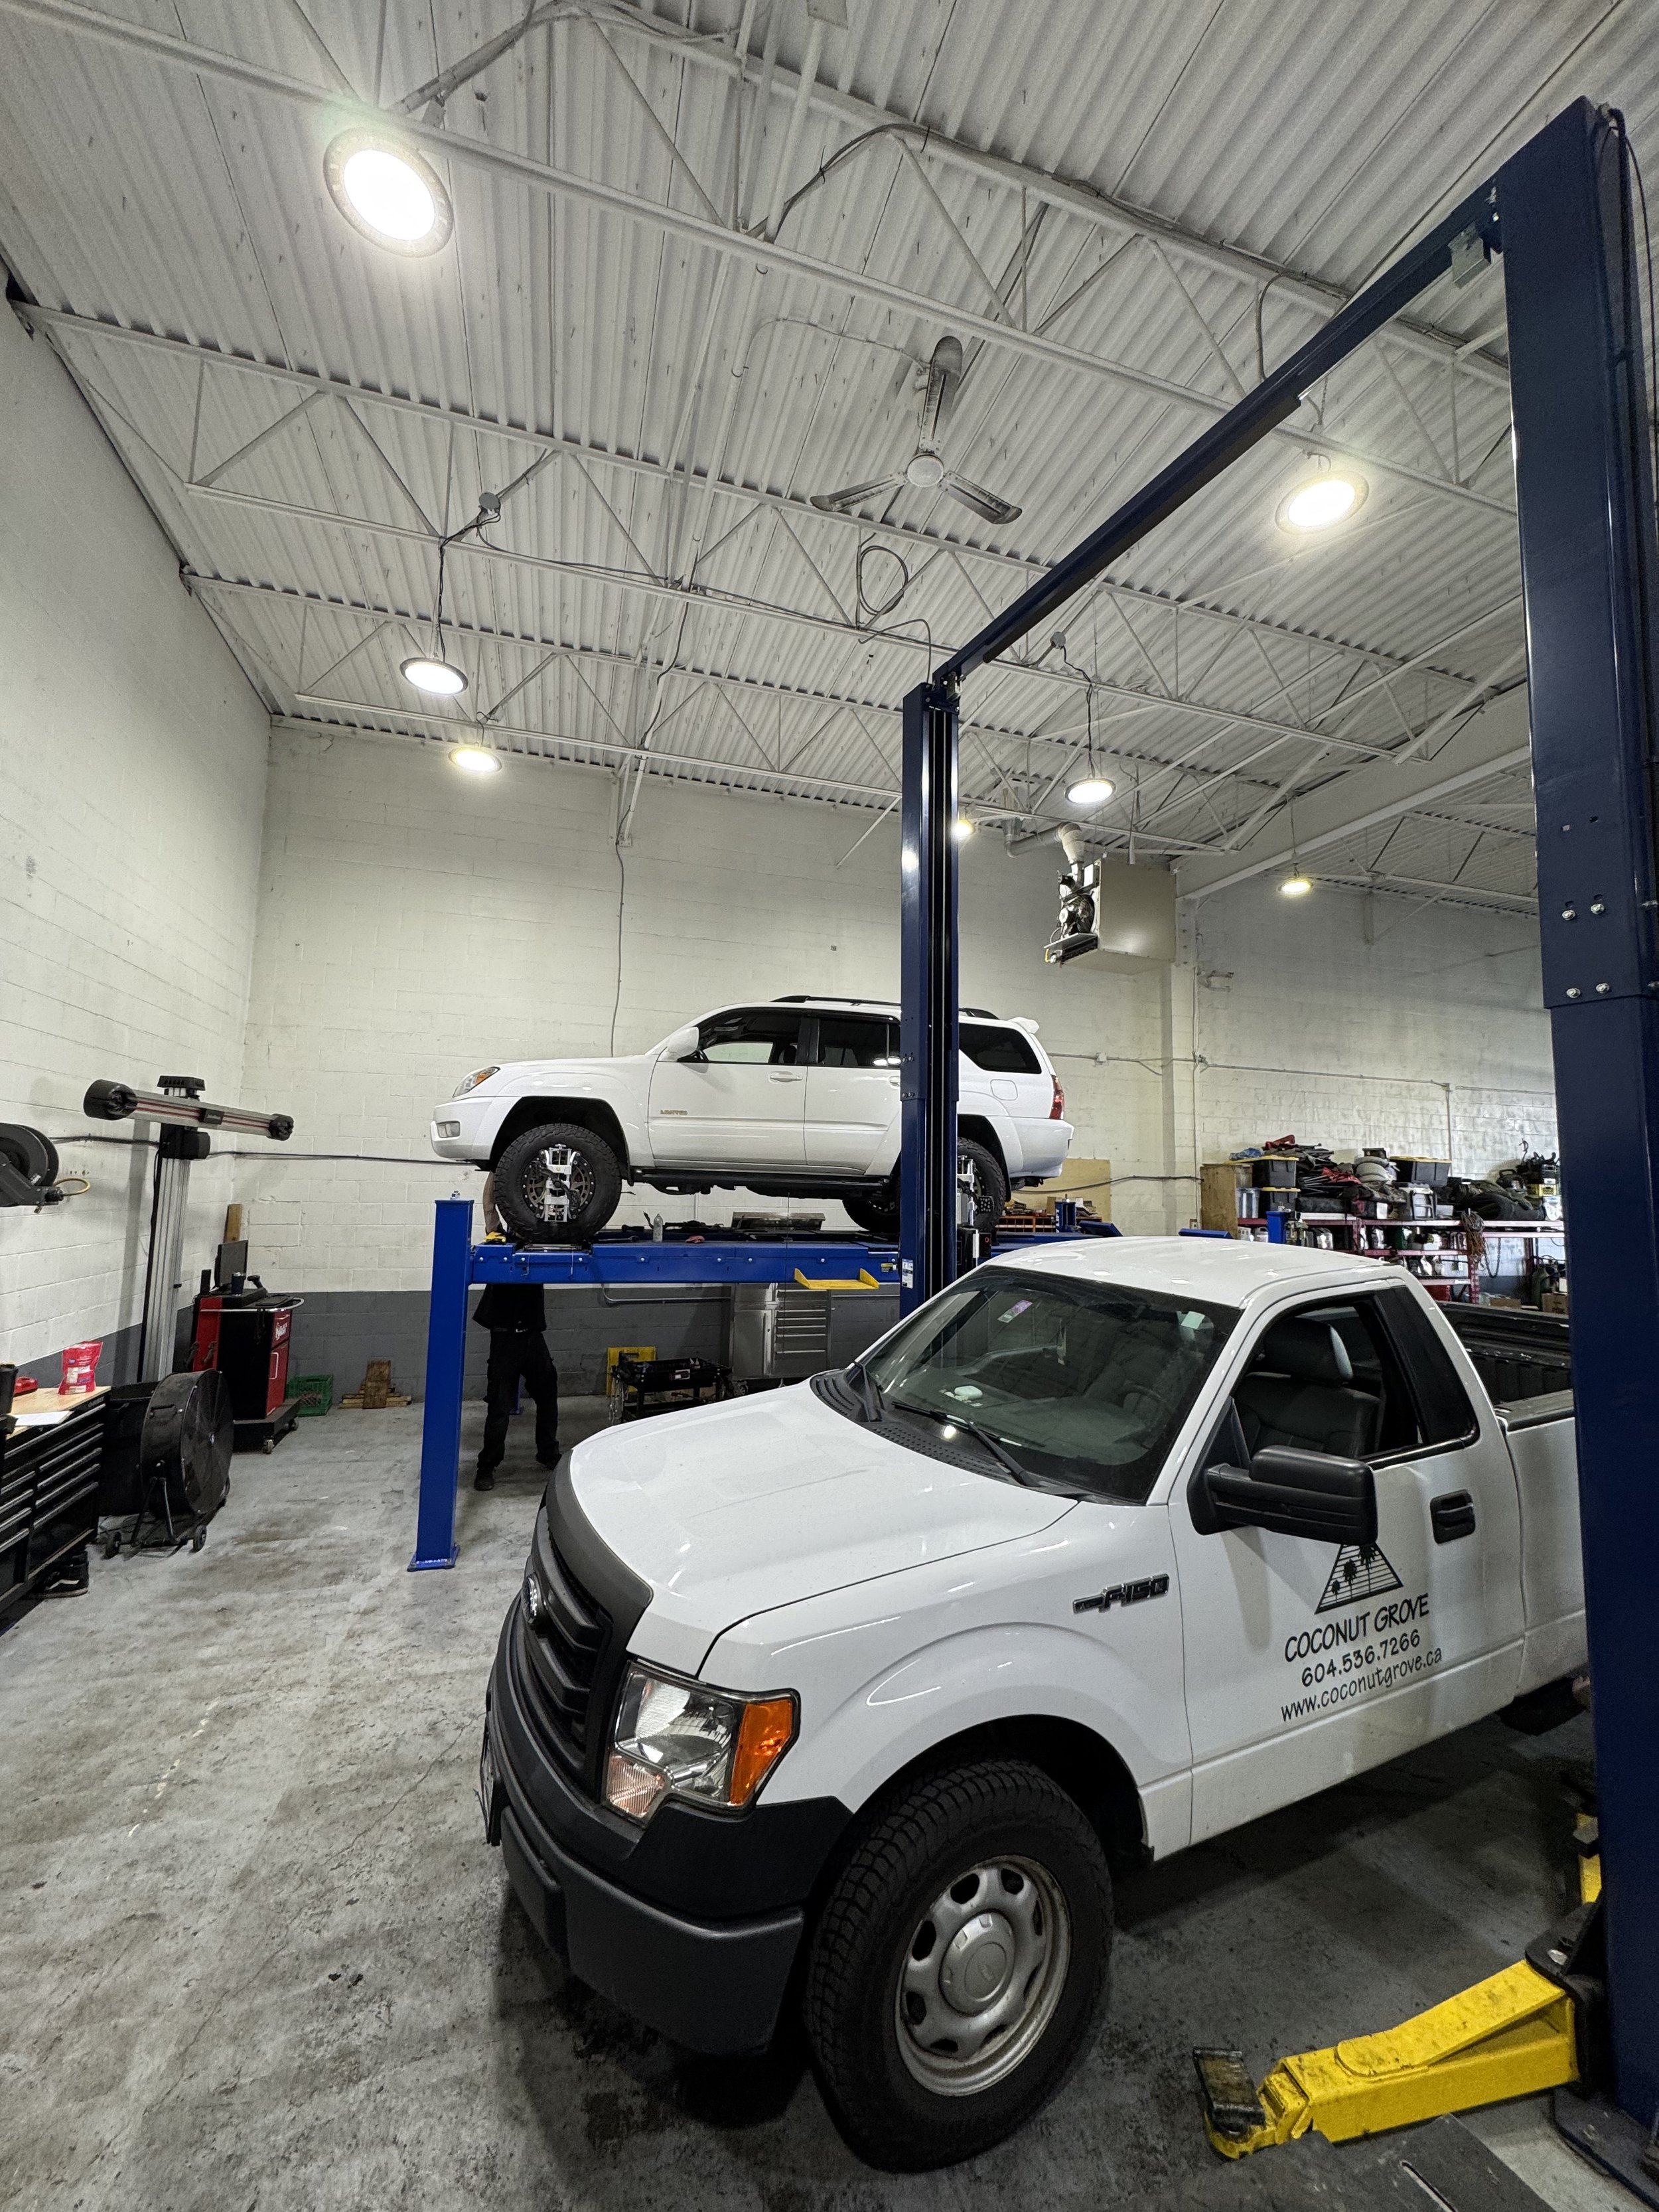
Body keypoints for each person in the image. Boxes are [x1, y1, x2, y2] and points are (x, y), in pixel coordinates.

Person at [472, 1177, 559, 1489]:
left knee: (548, 1394)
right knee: (499, 1408)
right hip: (505, 1339)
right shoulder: (499, 1242)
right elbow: (489, 1207)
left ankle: (548, 1453)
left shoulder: (542, 1242)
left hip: (532, 1338)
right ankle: (487, 1466)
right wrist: (498, 1171)